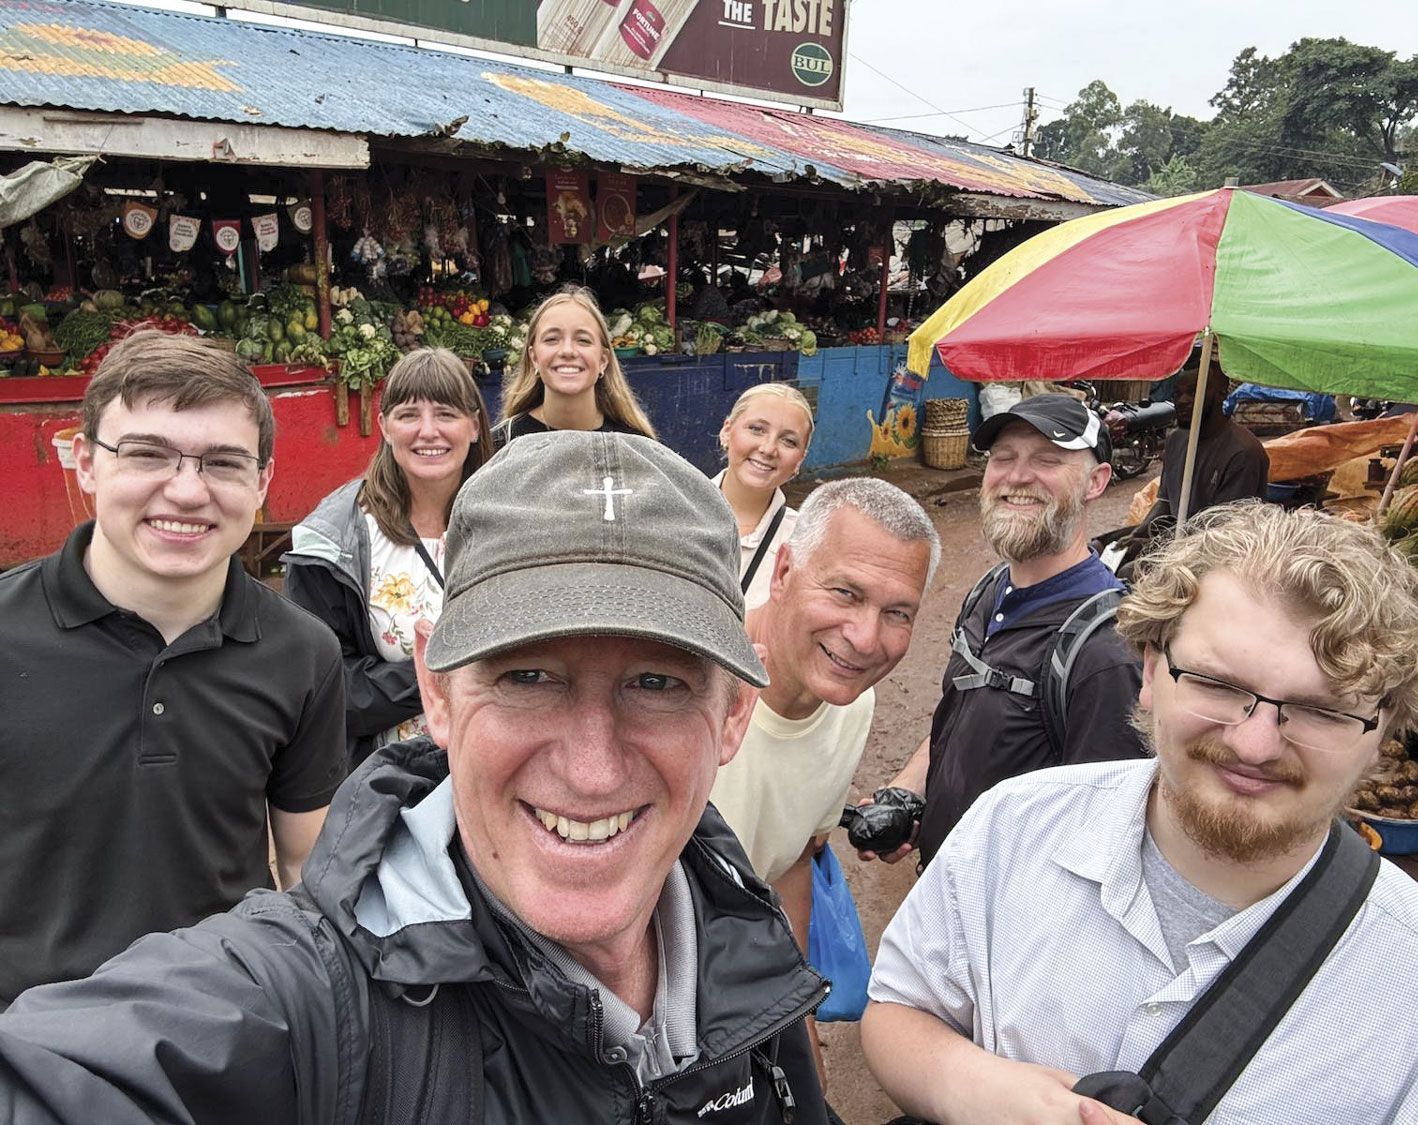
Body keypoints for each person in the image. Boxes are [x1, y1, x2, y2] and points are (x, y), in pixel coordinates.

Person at [0, 431, 830, 1125]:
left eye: (657, 683)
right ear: (434, 687)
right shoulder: (307, 1001)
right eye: (527, 677)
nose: (592, 765)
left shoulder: (740, 935)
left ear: (733, 713)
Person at [862, 503, 1418, 1124]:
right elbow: (899, 1008)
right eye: (1218, 684)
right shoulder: (1012, 828)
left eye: (1322, 710)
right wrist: (974, 1090)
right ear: (1148, 669)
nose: (1254, 745)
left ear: (1384, 730)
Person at [0, 330, 345, 1009]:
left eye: (223, 462)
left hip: (224, 1036)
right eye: (147, 453)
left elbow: (308, 866)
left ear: (262, 481)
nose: (187, 492)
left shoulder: (301, 652)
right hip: (26, 1054)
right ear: (85, 463)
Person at [865, 393, 1145, 868]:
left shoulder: (1107, 653)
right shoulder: (990, 589)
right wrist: (909, 791)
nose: (1017, 476)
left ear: (1096, 482)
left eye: (1047, 460)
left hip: (1004, 922)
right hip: (943, 884)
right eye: (1003, 458)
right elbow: (961, 714)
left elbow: (1102, 842)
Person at [711, 476, 938, 940]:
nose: (865, 639)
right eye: (845, 593)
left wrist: (796, 1003)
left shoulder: (852, 705)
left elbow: (793, 859)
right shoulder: (690, 684)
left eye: (897, 612)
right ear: (782, 574)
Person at [282, 348, 495, 767]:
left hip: (501, 769)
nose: (428, 431)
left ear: (473, 425)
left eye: (446, 414)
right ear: (384, 426)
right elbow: (318, 685)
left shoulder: (510, 522)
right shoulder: (337, 540)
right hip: (387, 781)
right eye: (409, 415)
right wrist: (439, 673)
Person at [1119, 347, 1268, 557]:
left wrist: (1154, 545)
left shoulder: (1243, 453)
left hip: (1218, 552)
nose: (1183, 401)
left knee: (1129, 572)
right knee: (1104, 548)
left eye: (1194, 392)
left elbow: (1224, 530)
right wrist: (1138, 533)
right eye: (1178, 394)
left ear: (1220, 394)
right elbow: (1165, 503)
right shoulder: (1176, 441)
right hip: (1175, 535)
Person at [492, 284, 655, 446]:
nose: (568, 351)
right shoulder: (500, 446)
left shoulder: (636, 448)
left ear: (603, 360)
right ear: (534, 358)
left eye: (583, 340)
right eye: (552, 339)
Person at [713, 382, 816, 608]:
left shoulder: (805, 543)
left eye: (788, 441)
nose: (769, 449)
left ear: (800, 460)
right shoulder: (675, 512)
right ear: (727, 431)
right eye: (757, 429)